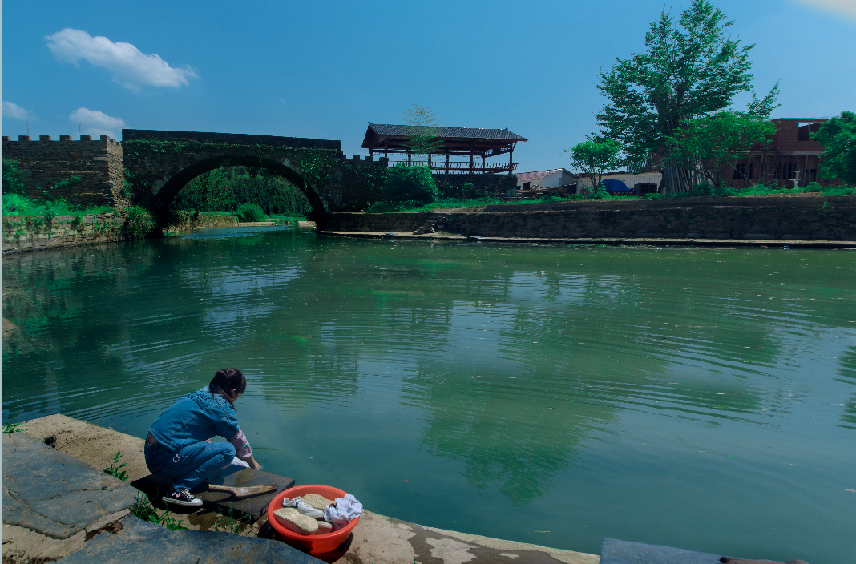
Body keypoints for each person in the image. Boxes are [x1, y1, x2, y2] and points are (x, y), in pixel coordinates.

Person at [144, 368, 260, 507]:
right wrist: (254, 465)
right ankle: (177, 489)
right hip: (162, 462)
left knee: (207, 442)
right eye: (238, 394)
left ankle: (180, 474)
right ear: (234, 391)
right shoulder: (221, 408)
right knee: (228, 450)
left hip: (151, 452)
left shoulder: (201, 393)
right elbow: (240, 442)